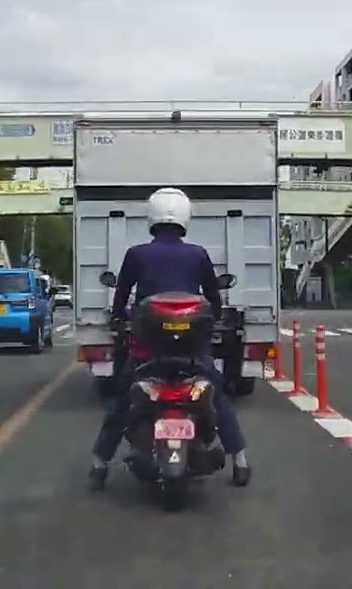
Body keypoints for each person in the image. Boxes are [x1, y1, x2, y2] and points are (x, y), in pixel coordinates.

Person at [88, 187, 252, 489]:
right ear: (184, 217)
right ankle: (240, 462)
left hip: (146, 350)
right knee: (219, 397)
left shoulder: (136, 254)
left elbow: (120, 301)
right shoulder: (198, 254)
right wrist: (212, 320)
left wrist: (120, 318)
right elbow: (214, 302)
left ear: (152, 217)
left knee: (122, 401)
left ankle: (100, 464)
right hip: (193, 351)